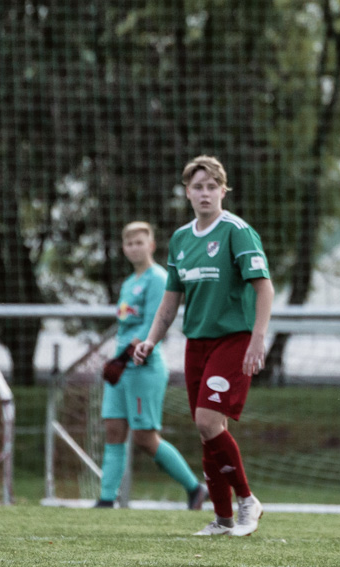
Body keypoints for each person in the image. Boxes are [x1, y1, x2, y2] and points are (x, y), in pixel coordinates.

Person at [132, 156, 273, 537]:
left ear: (223, 191)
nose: (205, 193)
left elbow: (264, 287)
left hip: (234, 339)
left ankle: (247, 501)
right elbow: (170, 300)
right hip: (197, 343)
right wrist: (150, 340)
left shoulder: (237, 232)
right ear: (187, 192)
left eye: (212, 186)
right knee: (208, 430)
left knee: (207, 420)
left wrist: (258, 338)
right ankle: (224, 519)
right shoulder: (180, 239)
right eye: (198, 186)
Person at [95, 221, 206, 511]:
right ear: (123, 248)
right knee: (113, 428)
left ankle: (195, 489)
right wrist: (116, 358)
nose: (134, 248)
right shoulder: (128, 283)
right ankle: (107, 500)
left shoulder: (158, 278)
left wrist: (123, 356)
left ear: (151, 246)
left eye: (139, 242)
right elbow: (125, 325)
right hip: (121, 368)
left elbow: (152, 324)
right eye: (129, 243)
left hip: (143, 367)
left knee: (145, 437)